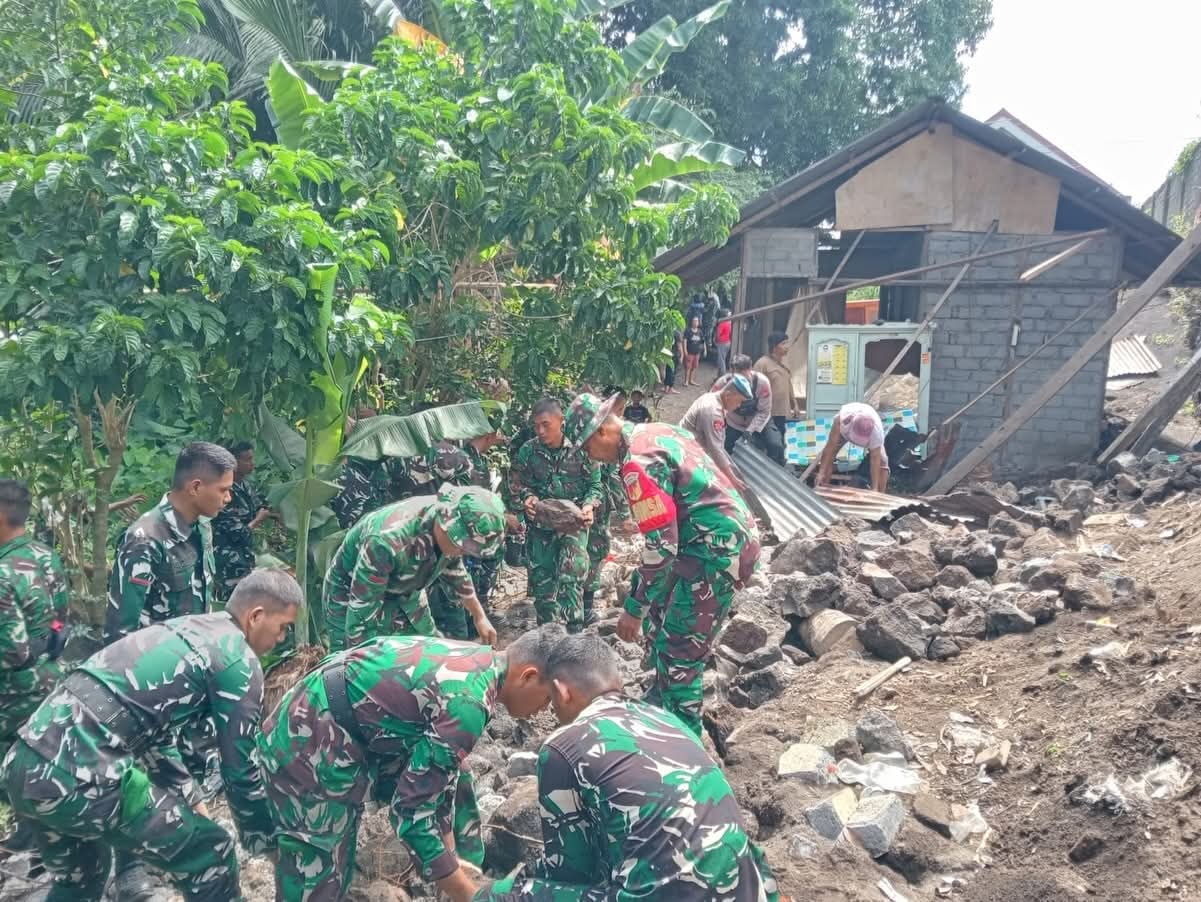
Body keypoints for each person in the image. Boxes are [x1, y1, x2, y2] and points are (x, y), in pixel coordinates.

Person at [1, 569, 300, 902]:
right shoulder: (237, 660)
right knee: (211, 851)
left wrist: (191, 795)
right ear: (256, 616)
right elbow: (241, 771)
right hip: (79, 776)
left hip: (22, 762)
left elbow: (151, 730)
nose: (282, 639)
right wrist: (267, 843)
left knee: (82, 878)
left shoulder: (186, 628)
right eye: (283, 627)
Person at [258, 624, 564, 902]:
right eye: (547, 699)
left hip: (349, 723)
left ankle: (465, 872)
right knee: (321, 873)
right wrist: (464, 893)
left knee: (460, 776)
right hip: (309, 737)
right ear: (529, 676)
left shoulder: (482, 662)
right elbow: (410, 812)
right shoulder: (468, 702)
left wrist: (449, 854)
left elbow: (441, 773)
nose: (543, 710)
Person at [480, 635, 778, 902]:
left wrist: (507, 885)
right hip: (747, 888)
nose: (551, 711)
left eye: (551, 702)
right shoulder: (667, 721)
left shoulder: (564, 746)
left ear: (561, 691)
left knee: (505, 895)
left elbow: (570, 872)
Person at [564, 394, 760, 737]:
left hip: (714, 553)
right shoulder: (658, 430)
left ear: (601, 433)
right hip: (726, 538)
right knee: (662, 616)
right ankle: (659, 701)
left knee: (679, 653)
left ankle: (685, 741)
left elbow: (662, 548)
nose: (589, 457)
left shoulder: (636, 463)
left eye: (585, 448)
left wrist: (634, 608)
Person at [323, 485, 502, 651]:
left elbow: (455, 569)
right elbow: (360, 616)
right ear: (443, 523)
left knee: (428, 651)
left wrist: (479, 616)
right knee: (351, 664)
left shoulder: (447, 533)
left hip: (406, 590)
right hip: (351, 595)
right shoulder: (386, 542)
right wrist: (361, 663)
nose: (462, 552)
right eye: (460, 545)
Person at [106, 442, 234, 644]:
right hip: (154, 668)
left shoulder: (202, 527)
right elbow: (119, 634)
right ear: (196, 487)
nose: (228, 498)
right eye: (223, 490)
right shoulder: (144, 540)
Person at [0, 480, 68, 852]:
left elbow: (11, 651)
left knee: (11, 769)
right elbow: (61, 619)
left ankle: (41, 838)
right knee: (38, 761)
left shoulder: (2, 573)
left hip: (12, 691)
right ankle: (36, 831)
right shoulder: (45, 555)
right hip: (49, 678)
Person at [409, 423, 515, 639]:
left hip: (434, 537)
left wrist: (478, 615)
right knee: (452, 610)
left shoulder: (401, 456)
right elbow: (474, 506)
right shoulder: (455, 456)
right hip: (443, 536)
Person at [508, 398, 603, 632]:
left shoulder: (582, 449)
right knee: (542, 582)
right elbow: (517, 485)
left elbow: (595, 486)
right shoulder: (528, 451)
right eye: (536, 426)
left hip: (574, 523)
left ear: (561, 421)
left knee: (571, 575)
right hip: (541, 526)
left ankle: (574, 632)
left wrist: (589, 506)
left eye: (546, 424)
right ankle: (548, 636)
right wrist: (527, 500)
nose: (540, 431)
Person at [212, 441, 271, 602]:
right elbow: (238, 533)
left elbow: (261, 504)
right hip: (229, 561)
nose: (252, 464)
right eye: (247, 459)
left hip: (246, 559)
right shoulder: (224, 492)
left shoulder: (245, 485)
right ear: (234, 462)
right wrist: (258, 521)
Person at [678, 375, 754, 491]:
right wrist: (732, 479)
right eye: (740, 401)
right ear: (728, 395)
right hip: (685, 455)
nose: (739, 406)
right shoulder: (713, 412)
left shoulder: (712, 397)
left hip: (691, 449)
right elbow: (715, 450)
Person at [817, 401, 890, 492]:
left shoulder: (877, 434)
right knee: (830, 456)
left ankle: (880, 494)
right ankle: (823, 488)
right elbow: (830, 448)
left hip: (869, 431)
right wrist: (821, 472)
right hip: (845, 430)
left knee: (883, 461)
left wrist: (874, 488)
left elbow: (875, 460)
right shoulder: (842, 421)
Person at [713, 354, 775, 458]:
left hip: (759, 421)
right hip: (733, 423)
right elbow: (714, 404)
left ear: (750, 369)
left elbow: (764, 411)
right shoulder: (722, 383)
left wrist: (750, 429)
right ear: (731, 371)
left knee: (774, 445)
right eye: (737, 378)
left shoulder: (762, 383)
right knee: (723, 450)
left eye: (744, 378)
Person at [753, 332, 800, 466]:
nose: (787, 346)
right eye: (783, 343)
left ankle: (778, 469)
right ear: (774, 347)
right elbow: (754, 386)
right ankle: (768, 470)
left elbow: (788, 385)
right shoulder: (762, 364)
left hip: (782, 413)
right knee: (773, 444)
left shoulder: (783, 365)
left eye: (787, 343)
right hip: (768, 413)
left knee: (781, 444)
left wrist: (794, 404)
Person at [683, 316, 706, 387]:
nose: (695, 323)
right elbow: (685, 341)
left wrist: (705, 350)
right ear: (692, 322)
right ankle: (686, 381)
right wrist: (685, 351)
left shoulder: (700, 332)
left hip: (697, 353)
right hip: (690, 352)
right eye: (694, 321)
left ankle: (691, 380)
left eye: (697, 321)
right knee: (688, 367)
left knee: (695, 366)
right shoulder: (688, 331)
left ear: (698, 323)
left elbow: (703, 341)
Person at [663, 326, 683, 394]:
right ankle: (670, 388)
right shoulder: (677, 333)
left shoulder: (666, 330)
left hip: (667, 354)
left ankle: (666, 387)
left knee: (668, 370)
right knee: (673, 372)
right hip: (674, 354)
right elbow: (679, 345)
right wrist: (682, 355)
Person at [714, 308, 733, 376]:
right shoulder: (729, 322)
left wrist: (716, 341)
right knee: (722, 359)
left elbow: (718, 335)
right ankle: (719, 376)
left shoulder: (722, 323)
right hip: (728, 342)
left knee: (721, 361)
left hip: (722, 343)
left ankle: (723, 376)